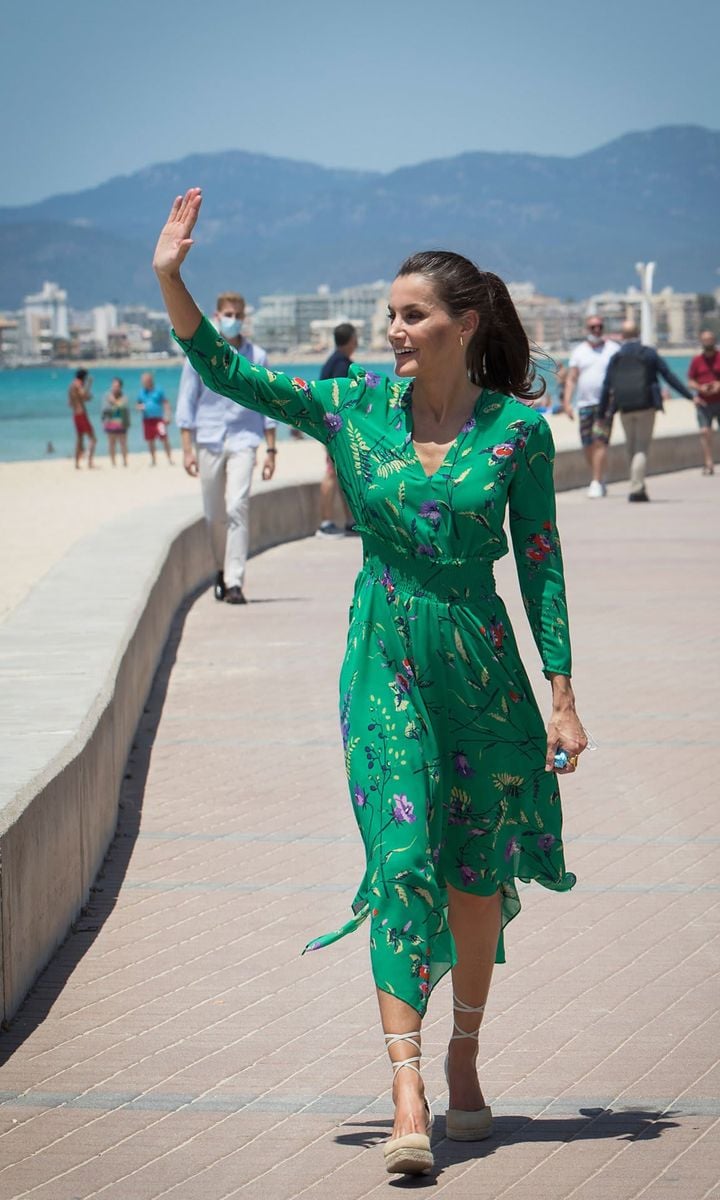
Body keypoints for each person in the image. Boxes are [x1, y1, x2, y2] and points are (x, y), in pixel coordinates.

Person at [153, 189, 588, 1179]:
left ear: (463, 325)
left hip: (481, 668)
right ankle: (407, 1089)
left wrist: (561, 688)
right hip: (383, 655)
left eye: (411, 314)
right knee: (400, 861)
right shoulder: (350, 407)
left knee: (475, 878)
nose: (391, 330)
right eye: (389, 314)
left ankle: (466, 1054)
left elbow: (542, 559)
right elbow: (225, 370)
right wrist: (171, 280)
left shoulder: (518, 432)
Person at [175, 291, 278, 604]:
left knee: (237, 506)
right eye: (227, 314)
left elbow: (268, 403)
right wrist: (187, 449)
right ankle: (219, 570)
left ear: (244, 318)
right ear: (217, 317)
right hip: (208, 438)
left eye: (237, 314)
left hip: (244, 439)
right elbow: (186, 401)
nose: (232, 320)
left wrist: (272, 450)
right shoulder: (199, 354)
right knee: (213, 515)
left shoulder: (257, 357)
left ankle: (234, 581)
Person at [598, 320, 694, 502]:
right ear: (639, 334)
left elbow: (606, 386)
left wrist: (601, 414)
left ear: (623, 336)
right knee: (641, 447)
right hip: (646, 406)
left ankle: (637, 485)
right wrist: (690, 396)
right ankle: (636, 488)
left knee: (631, 447)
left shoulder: (616, 356)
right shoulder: (649, 354)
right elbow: (668, 376)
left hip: (624, 407)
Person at [563, 316, 619, 497]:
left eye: (599, 326)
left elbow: (622, 376)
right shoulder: (579, 352)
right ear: (586, 329)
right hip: (584, 404)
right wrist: (567, 403)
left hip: (606, 405)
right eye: (592, 327)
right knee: (587, 444)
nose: (596, 329)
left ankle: (595, 482)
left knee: (600, 442)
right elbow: (572, 379)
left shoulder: (613, 350)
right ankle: (600, 476)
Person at [316, 322, 358, 538]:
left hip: (330, 428)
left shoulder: (332, 362)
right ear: (351, 340)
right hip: (335, 431)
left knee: (341, 475)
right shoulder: (342, 366)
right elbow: (340, 401)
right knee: (332, 473)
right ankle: (325, 523)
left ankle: (350, 520)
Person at [688, 329, 720, 475]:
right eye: (705, 340)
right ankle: (708, 462)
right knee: (705, 431)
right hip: (704, 402)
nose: (708, 343)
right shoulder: (697, 360)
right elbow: (690, 380)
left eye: (710, 339)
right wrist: (700, 387)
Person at [136, 371, 174, 465]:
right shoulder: (141, 392)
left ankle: (169, 459)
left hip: (159, 419)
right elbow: (138, 404)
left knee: (164, 438)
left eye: (145, 380)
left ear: (150, 380)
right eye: (142, 381)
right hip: (147, 420)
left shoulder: (158, 390)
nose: (143, 382)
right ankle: (153, 460)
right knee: (150, 440)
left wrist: (168, 415)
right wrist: (139, 407)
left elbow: (165, 402)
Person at [68, 368, 97, 469]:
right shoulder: (78, 384)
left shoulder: (71, 385)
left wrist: (86, 397)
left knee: (79, 439)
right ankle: (89, 462)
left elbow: (71, 402)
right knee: (93, 439)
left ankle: (76, 463)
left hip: (75, 414)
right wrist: (89, 384)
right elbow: (83, 394)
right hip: (81, 413)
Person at [101, 377, 131, 467]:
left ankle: (125, 461)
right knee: (111, 444)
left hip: (121, 423)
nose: (115, 388)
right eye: (113, 386)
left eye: (117, 386)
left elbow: (124, 407)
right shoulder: (107, 396)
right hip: (110, 423)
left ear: (120, 387)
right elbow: (105, 409)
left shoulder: (124, 396)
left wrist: (114, 402)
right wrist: (116, 404)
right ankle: (113, 462)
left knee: (123, 443)